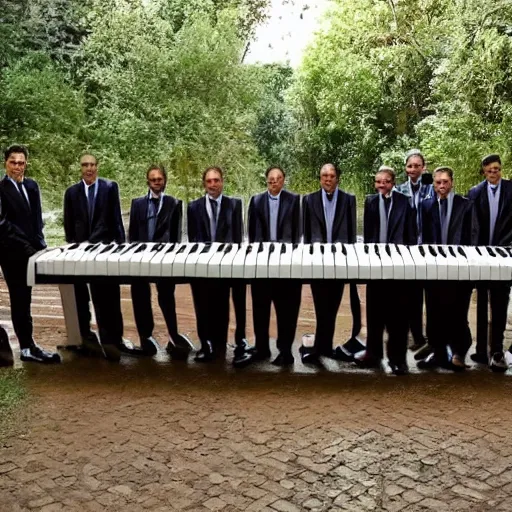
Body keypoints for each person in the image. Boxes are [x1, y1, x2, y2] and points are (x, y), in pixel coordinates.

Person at [63, 153, 140, 362]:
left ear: (97, 167)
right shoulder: (71, 193)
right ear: (80, 168)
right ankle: (86, 339)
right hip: (79, 252)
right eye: (85, 165)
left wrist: (121, 247)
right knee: (81, 296)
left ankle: (115, 339)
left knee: (109, 296)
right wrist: (74, 246)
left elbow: (115, 218)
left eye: (92, 165)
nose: (89, 168)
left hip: (105, 251)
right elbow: (69, 224)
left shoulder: (109, 187)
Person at [0, 144, 60, 364]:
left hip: (33, 251)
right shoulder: (1, 189)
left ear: (26, 163)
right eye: (13, 162)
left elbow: (36, 220)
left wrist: (40, 244)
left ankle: (29, 345)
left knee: (27, 297)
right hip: (11, 253)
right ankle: (27, 348)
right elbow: (2, 224)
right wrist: (25, 246)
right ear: (5, 163)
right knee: (20, 299)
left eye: (21, 162)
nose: (18, 167)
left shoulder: (32, 186)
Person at [128, 165, 194, 358]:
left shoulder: (174, 203)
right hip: (140, 257)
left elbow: (175, 238)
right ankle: (145, 338)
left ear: (165, 180)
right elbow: (132, 233)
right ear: (147, 182)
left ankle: (173, 335)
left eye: (160, 179)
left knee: (166, 296)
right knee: (139, 295)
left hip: (164, 259)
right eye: (153, 179)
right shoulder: (137, 204)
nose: (157, 182)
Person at [356, 166, 416, 375]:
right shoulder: (370, 202)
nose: (382, 185)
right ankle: (373, 354)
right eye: (378, 181)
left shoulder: (404, 202)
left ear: (393, 183)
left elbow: (411, 235)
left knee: (398, 316)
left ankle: (398, 359)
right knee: (374, 313)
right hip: (375, 264)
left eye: (386, 181)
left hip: (398, 266)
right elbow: (368, 234)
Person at [187, 166, 250, 365]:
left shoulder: (235, 204)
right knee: (201, 297)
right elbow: (193, 240)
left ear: (222, 181)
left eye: (216, 180)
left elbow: (238, 237)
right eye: (209, 181)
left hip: (229, 262)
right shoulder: (194, 207)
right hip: (205, 264)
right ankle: (206, 343)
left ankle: (239, 343)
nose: (213, 184)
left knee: (234, 295)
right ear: (204, 184)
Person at [417, 167, 477, 371]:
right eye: (438, 182)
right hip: (434, 269)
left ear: (452, 182)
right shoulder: (426, 205)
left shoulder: (466, 205)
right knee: (434, 312)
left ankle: (459, 353)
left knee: (458, 313)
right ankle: (438, 353)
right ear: (433, 184)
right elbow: (424, 238)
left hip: (460, 269)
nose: (441, 186)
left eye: (445, 182)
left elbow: (472, 237)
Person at [301, 163, 357, 364]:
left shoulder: (349, 200)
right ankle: (320, 347)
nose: (328, 179)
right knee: (320, 306)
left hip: (340, 261)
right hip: (317, 260)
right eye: (324, 175)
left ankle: (324, 347)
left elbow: (351, 235)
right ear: (320, 178)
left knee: (333, 306)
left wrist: (350, 260)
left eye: (332, 176)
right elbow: (306, 235)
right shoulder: (308, 200)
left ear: (337, 178)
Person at [247, 166, 302, 366]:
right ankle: (261, 348)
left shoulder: (294, 200)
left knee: (287, 309)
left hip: (286, 263)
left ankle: (285, 350)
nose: (274, 182)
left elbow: (297, 233)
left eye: (278, 179)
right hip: (261, 263)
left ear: (283, 180)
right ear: (266, 181)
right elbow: (252, 233)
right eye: (270, 179)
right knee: (260, 306)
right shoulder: (256, 201)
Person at [468, 154, 512, 371]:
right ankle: (480, 349)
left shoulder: (511, 190)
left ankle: (497, 350)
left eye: (497, 169)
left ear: (501, 169)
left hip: (504, 254)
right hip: (481, 254)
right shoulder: (475, 193)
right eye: (489, 170)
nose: (494, 173)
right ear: (483, 172)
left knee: (500, 302)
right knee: (482, 302)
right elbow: (472, 226)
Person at [395, 149, 433, 354]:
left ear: (423, 167)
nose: (413, 169)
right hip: (408, 249)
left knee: (432, 294)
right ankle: (417, 335)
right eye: (410, 166)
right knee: (412, 295)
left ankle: (433, 338)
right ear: (405, 168)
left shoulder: (431, 189)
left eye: (417, 166)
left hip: (429, 247)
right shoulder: (400, 191)